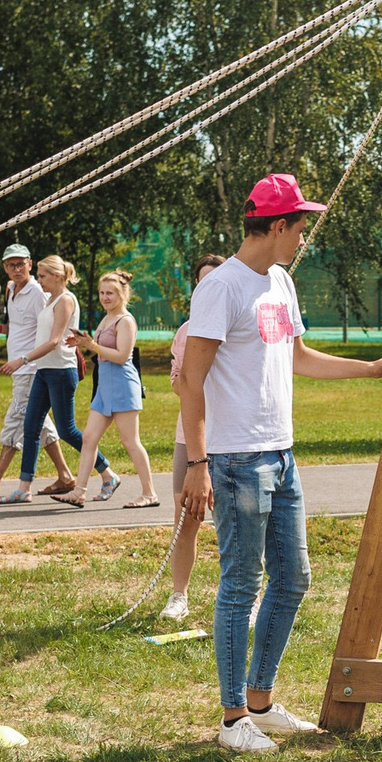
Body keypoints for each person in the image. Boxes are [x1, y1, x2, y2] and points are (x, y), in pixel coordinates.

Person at [179, 175, 382, 753]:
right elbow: (191, 383)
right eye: (300, 224)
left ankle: (260, 702)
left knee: (294, 578)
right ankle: (233, 722)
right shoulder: (222, 288)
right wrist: (198, 463)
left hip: (282, 453)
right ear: (277, 226)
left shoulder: (280, 281)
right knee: (240, 584)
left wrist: (372, 370)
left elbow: (297, 356)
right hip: (235, 460)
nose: (305, 235)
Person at [0, 242, 73, 501]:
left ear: (29, 263)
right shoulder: (11, 289)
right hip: (20, 368)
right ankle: (66, 476)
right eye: (10, 264)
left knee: (16, 420)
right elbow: (20, 327)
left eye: (20, 263)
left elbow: (47, 328)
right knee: (40, 424)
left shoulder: (38, 292)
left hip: (31, 368)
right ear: (4, 267)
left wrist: (24, 360)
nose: (16, 268)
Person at [60, 269, 161, 510]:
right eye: (102, 293)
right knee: (88, 438)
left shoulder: (125, 321)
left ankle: (149, 493)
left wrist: (91, 345)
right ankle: (79, 492)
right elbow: (101, 350)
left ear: (122, 294)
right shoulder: (106, 318)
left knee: (130, 441)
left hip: (122, 385)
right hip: (104, 387)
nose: (105, 298)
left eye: (110, 293)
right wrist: (83, 343)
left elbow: (122, 356)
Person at [14, 255, 113, 500]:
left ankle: (108, 473)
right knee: (31, 427)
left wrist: (22, 359)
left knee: (67, 430)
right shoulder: (50, 300)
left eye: (43, 275)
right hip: (45, 371)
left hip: (61, 372)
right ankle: (24, 489)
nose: (39, 280)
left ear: (58, 276)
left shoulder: (66, 300)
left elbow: (55, 340)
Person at [160, 255, 226, 622]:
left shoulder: (237, 325)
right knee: (185, 517)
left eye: (215, 281)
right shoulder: (186, 331)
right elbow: (178, 383)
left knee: (235, 522)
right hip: (189, 435)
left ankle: (244, 598)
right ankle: (178, 595)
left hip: (230, 437)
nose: (209, 288)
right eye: (202, 282)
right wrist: (183, 383)